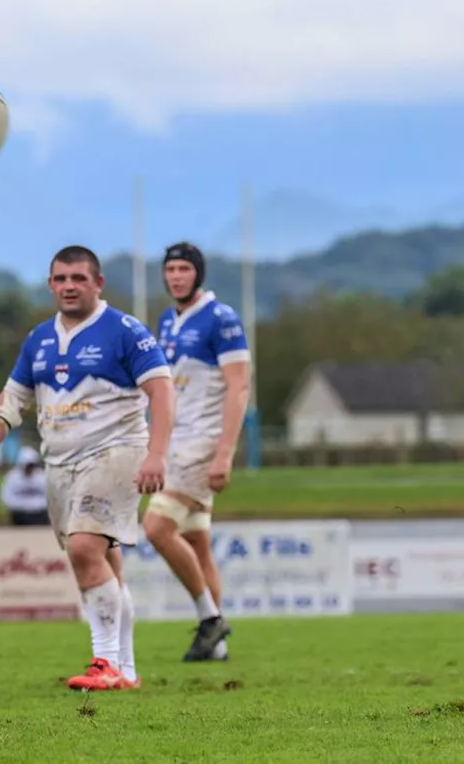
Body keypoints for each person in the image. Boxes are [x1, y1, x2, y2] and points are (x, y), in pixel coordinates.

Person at [0, 244, 176, 691]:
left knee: (83, 548)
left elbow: (162, 391)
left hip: (116, 452)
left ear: (98, 283)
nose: (69, 286)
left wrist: (157, 454)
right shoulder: (38, 339)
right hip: (60, 465)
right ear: (49, 284)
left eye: (79, 278)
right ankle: (127, 671)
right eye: (60, 279)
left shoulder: (124, 331)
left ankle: (105, 662)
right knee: (103, 562)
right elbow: (12, 400)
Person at [142, 242, 250, 662]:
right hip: (175, 442)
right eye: (170, 269)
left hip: (202, 443)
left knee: (155, 528)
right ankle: (216, 647)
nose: (176, 276)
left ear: (198, 274)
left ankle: (210, 619)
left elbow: (239, 387)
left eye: (184, 269)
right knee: (197, 542)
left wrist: (225, 453)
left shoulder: (221, 319)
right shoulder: (167, 321)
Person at [0, 446, 50, 525]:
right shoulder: (12, 477)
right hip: (20, 514)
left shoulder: (41, 476)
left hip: (39, 514)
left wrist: (36, 506)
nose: (29, 468)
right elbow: (6, 496)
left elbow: (49, 496)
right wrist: (23, 506)